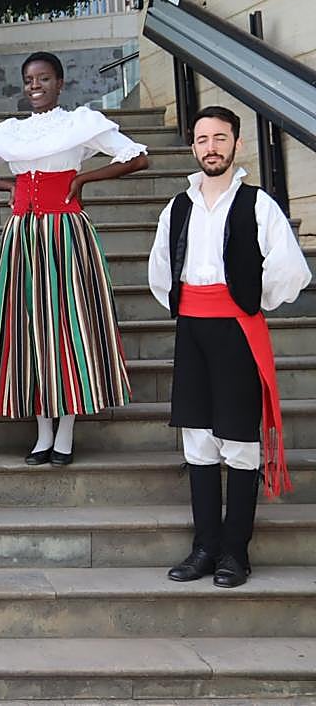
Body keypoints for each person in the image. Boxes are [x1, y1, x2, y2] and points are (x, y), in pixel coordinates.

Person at [149, 105, 310, 588]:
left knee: (240, 442)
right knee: (197, 438)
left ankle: (235, 553)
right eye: (202, 139)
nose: (211, 147)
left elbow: (289, 270)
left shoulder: (258, 204)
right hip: (193, 330)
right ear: (193, 146)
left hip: (239, 329)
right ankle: (204, 548)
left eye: (221, 138)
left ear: (237, 145)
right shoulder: (177, 206)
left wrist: (248, 299)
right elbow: (161, 271)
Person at [0, 51, 148, 465]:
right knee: (29, 328)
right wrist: (7, 187)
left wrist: (84, 177)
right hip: (21, 239)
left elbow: (137, 156)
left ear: (60, 84)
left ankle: (66, 429)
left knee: (66, 326)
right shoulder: (10, 131)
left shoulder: (79, 124)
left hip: (65, 234)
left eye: (44, 79)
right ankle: (42, 431)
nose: (35, 86)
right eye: (29, 79)